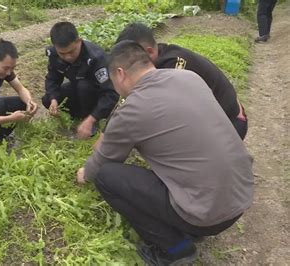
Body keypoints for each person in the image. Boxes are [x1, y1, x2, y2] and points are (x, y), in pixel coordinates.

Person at [76, 41, 254, 265]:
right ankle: (191, 226)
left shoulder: (132, 109)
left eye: (113, 82)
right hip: (242, 194)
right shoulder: (190, 77)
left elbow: (104, 160)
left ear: (120, 74)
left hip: (207, 215)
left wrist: (85, 173)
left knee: (107, 176)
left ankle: (176, 249)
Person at [116, 23, 248, 139]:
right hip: (217, 120)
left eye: (130, 59)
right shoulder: (158, 57)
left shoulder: (173, 66)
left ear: (149, 51)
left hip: (231, 123)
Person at [42, 22, 119, 139]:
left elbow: (111, 94)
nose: (67, 57)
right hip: (78, 90)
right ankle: (78, 117)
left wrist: (92, 117)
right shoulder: (53, 55)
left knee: (84, 86)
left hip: (96, 95)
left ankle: (90, 120)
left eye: (71, 51)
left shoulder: (96, 58)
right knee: (47, 99)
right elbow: (53, 79)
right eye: (62, 53)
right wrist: (54, 100)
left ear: (79, 41)